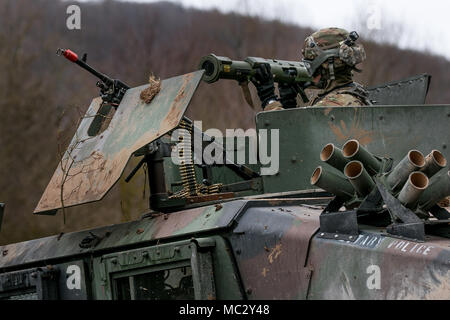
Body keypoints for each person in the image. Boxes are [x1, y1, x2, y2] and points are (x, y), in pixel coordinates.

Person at [251, 27, 371, 110]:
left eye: (312, 62)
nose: (310, 72)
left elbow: (290, 138)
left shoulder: (335, 104)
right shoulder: (354, 92)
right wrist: (288, 103)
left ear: (328, 65)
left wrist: (269, 99)